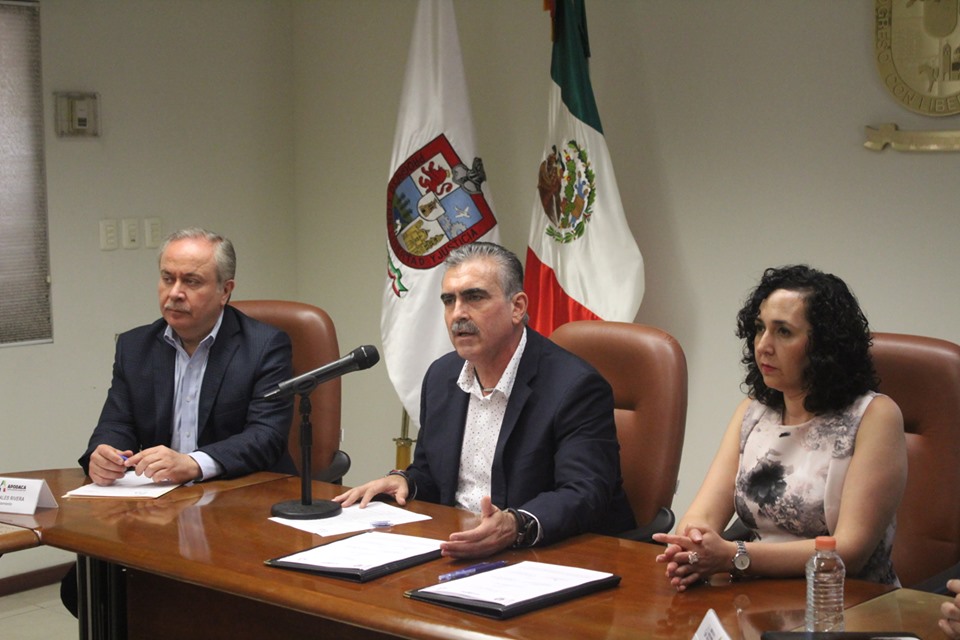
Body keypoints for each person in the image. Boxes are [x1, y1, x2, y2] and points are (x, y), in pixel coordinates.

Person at [334, 242, 635, 558]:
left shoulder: (574, 386)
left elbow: (584, 492)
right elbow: (432, 472)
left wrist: (516, 524)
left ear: (517, 307)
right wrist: (406, 481)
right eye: (449, 301)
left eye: (474, 297)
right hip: (457, 545)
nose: (458, 314)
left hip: (548, 554)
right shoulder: (441, 377)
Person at [63, 227, 296, 615]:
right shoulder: (135, 346)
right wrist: (103, 453)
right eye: (167, 278)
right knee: (85, 589)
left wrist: (193, 463)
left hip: (239, 506)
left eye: (191, 281)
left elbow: (266, 436)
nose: (175, 293)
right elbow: (117, 422)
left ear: (225, 291)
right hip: (161, 510)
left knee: (209, 606)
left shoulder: (265, 346)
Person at [653, 265, 907, 590]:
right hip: (755, 596)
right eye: (760, 328)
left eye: (783, 332)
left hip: (849, 602)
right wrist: (692, 545)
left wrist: (734, 556)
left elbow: (850, 552)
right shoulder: (753, 412)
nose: (763, 345)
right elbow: (701, 515)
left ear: (825, 345)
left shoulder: (875, 416)